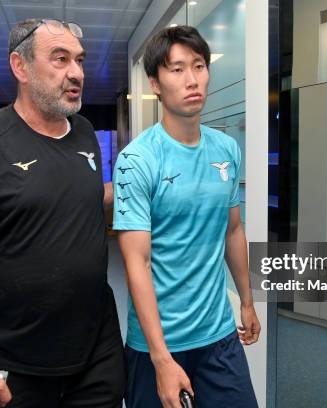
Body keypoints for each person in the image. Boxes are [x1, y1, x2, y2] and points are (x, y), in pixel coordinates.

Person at [0, 18, 125, 408]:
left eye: (80, 61)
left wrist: (141, 188)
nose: (77, 73)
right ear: (20, 67)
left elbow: (78, 194)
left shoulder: (84, 131)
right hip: (14, 359)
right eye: (60, 59)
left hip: (97, 350)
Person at [112, 26, 260, 408]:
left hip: (218, 333)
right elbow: (137, 261)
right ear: (155, 84)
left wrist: (246, 299)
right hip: (158, 344)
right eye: (177, 69)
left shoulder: (226, 147)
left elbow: (233, 230)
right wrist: (162, 359)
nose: (192, 79)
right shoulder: (137, 160)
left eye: (198, 66)